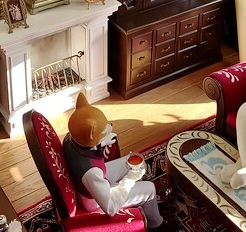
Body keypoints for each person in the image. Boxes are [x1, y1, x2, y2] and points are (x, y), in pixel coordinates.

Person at [62, 93, 167, 228]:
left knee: (130, 162)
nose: (111, 133)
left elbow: (88, 142)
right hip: (95, 200)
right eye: (105, 133)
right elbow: (110, 207)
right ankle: (156, 223)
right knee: (150, 188)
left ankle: (137, 199)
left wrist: (102, 141)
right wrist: (129, 180)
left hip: (94, 181)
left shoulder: (71, 136)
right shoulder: (91, 172)